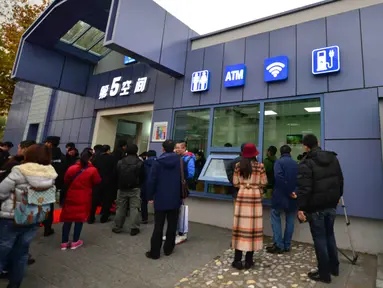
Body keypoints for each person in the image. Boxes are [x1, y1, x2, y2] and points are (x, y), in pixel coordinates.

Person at [0, 144, 58, 288]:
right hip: (33, 217)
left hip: (11, 217)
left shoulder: (19, 170)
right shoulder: (51, 173)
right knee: (21, 255)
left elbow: (1, 192)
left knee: (2, 251)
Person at [296, 134, 344, 283]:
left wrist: (301, 208)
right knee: (330, 235)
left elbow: (305, 189)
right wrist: (337, 197)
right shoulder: (333, 158)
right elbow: (340, 180)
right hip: (330, 205)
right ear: (317, 142)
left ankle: (324, 274)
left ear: (305, 146)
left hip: (315, 208)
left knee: (320, 240)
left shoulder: (306, 163)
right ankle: (334, 267)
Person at [0, 140, 36, 280]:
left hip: (10, 213)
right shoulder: (47, 172)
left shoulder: (17, 168)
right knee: (21, 252)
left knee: (4, 246)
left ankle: (5, 268)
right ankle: (14, 280)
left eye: (20, 147)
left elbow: (2, 191)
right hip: (31, 215)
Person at [232, 143, 267, 270]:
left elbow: (235, 182)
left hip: (242, 196)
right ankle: (248, 261)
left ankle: (237, 260)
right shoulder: (260, 166)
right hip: (254, 197)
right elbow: (264, 182)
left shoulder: (238, 166)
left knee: (240, 227)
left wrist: (243, 184)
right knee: (252, 228)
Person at [146, 140, 182, 260]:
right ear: (174, 148)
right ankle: (168, 249)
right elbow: (185, 176)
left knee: (158, 225)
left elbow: (152, 180)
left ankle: (155, 252)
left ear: (163, 149)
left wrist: (150, 196)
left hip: (160, 198)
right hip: (175, 197)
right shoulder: (180, 161)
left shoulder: (157, 162)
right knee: (172, 224)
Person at [60, 149, 101, 250]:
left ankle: (64, 243)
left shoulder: (71, 168)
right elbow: (97, 181)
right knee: (79, 219)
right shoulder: (93, 170)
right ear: (91, 158)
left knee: (67, 219)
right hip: (84, 196)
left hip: (71, 196)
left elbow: (66, 180)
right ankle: (75, 241)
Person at [266, 145, 298, 254]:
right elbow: (300, 180)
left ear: (280, 152)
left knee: (275, 216)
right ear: (290, 152)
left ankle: (279, 244)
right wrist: (293, 192)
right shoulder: (296, 163)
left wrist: (288, 191)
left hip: (280, 195)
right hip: (293, 197)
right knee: (290, 220)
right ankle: (287, 245)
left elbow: (278, 177)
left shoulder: (278, 163)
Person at [112, 144, 145, 235]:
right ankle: (134, 228)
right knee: (134, 208)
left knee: (120, 208)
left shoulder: (120, 162)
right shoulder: (139, 162)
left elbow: (115, 175)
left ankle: (117, 227)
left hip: (122, 188)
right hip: (135, 188)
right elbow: (142, 176)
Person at [44, 136, 66, 237]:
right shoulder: (62, 156)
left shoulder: (43, 154)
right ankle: (47, 228)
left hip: (40, 183)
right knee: (49, 206)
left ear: (49, 143)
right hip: (54, 185)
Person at [90, 145, 117, 223]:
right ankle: (104, 218)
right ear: (108, 150)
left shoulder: (95, 158)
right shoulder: (112, 158)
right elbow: (114, 171)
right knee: (107, 200)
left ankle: (91, 217)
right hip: (108, 182)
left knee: (94, 200)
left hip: (97, 181)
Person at [141, 150, 157, 224]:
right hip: (156, 185)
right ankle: (157, 218)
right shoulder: (159, 162)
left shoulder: (144, 163)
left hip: (145, 184)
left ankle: (144, 218)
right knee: (157, 202)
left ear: (147, 155)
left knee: (144, 202)